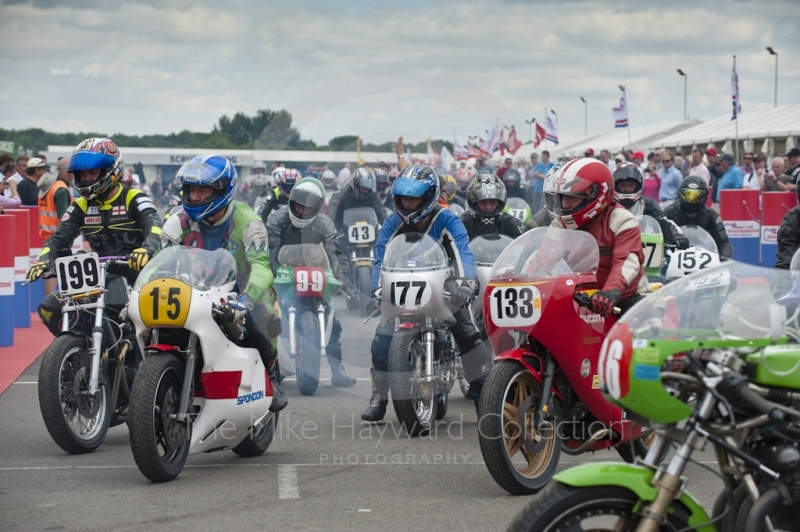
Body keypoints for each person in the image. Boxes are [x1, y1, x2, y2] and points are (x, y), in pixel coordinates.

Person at [361, 165, 491, 421]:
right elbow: (380, 258)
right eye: (404, 198)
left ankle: (483, 398)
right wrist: (377, 288)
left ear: (429, 195)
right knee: (381, 338)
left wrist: (465, 281)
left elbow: (463, 250)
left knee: (467, 333)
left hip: (445, 283)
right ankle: (378, 396)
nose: (408, 203)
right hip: (403, 284)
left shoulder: (447, 218)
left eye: (414, 198)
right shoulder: (392, 222)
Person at [160, 154, 286, 412]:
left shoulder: (249, 222)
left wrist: (246, 300)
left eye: (202, 191)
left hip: (238, 293)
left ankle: (271, 371)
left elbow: (262, 268)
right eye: (191, 190)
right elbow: (160, 262)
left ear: (222, 190)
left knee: (261, 313)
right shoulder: (177, 222)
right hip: (192, 291)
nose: (194, 197)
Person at [26, 138, 162, 332]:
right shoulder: (81, 205)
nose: (87, 178)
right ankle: (79, 347)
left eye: (93, 172)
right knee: (50, 307)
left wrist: (146, 249)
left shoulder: (134, 197)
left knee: (148, 325)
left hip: (139, 277)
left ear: (110, 171)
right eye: (82, 174)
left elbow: (155, 226)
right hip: (100, 277)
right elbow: (58, 238)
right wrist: (43, 260)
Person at [266, 177, 356, 387]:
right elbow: (269, 252)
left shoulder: (324, 224)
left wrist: (339, 278)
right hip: (284, 272)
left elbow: (336, 253)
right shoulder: (276, 220)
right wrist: (269, 279)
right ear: (291, 201)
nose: (301, 210)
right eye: (298, 204)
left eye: (307, 207)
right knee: (266, 318)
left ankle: (337, 370)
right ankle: (268, 369)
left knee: (334, 320)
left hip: (314, 271)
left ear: (317, 207)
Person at [547, 158, 651, 315]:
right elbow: (541, 258)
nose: (566, 205)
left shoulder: (622, 219)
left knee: (645, 330)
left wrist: (610, 292)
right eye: (563, 197)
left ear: (596, 194)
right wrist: (526, 281)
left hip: (626, 297)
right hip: (581, 297)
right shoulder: (560, 224)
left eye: (573, 197)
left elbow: (626, 263)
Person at [613, 163, 688, 248]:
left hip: (644, 248)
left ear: (639, 184)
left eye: (631, 185)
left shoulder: (648, 203)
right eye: (623, 185)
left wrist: (676, 234)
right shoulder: (609, 204)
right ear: (615, 185)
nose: (627, 189)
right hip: (614, 247)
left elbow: (663, 221)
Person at [663, 176, 733, 261]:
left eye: (696, 197)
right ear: (680, 194)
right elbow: (660, 236)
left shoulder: (711, 215)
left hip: (701, 258)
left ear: (704, 196)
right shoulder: (668, 213)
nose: (691, 201)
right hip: (672, 257)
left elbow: (723, 241)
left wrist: (725, 257)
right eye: (688, 195)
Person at [460, 174, 524, 240]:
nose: (488, 207)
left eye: (493, 202)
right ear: (473, 202)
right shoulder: (462, 224)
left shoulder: (512, 224)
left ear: (500, 202)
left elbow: (522, 246)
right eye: (483, 202)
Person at [327, 167, 387, 235]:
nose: (365, 190)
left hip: (370, 232)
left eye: (368, 188)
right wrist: (332, 231)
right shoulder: (339, 196)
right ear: (355, 184)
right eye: (363, 187)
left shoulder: (373, 196)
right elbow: (331, 216)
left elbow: (382, 213)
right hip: (344, 233)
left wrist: (387, 228)